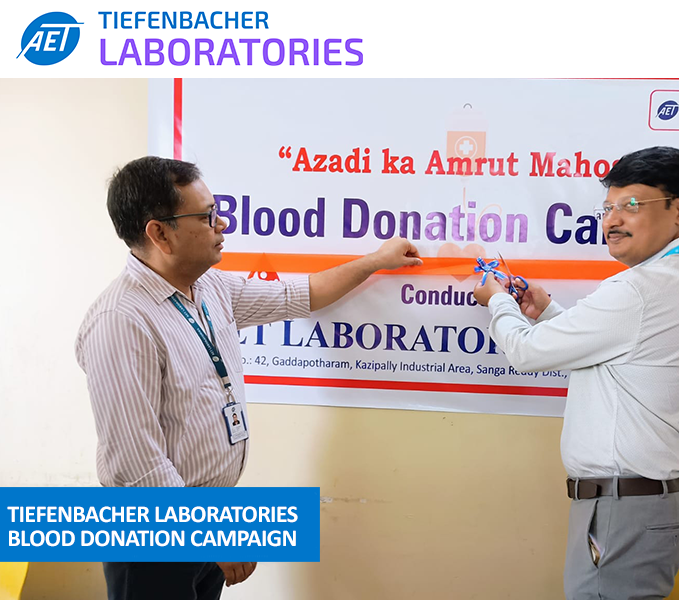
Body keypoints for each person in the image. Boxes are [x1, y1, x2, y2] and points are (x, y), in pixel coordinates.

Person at [75, 156, 422, 600]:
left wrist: (375, 261)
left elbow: (301, 294)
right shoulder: (122, 320)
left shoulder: (209, 288)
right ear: (160, 233)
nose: (222, 224)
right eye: (207, 216)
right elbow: (137, 462)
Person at [473, 146, 679, 599]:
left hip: (626, 509)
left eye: (631, 205)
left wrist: (497, 301)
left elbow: (526, 352)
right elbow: (622, 360)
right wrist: (548, 312)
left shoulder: (640, 289)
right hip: (658, 502)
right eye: (607, 208)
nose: (612, 220)